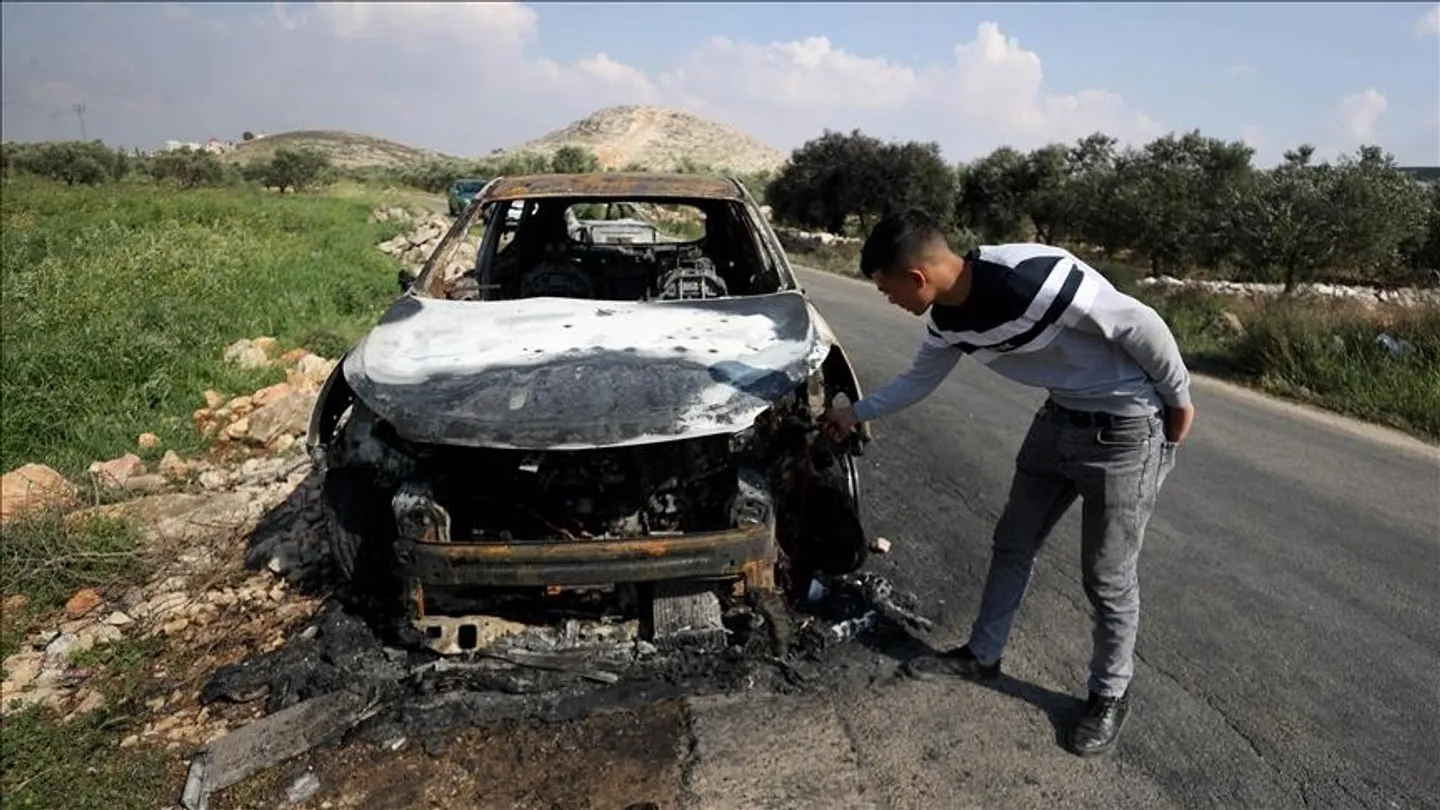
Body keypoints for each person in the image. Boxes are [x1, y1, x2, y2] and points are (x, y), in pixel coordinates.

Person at [820, 209, 1195, 758]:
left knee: (1107, 576)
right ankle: (982, 656)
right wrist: (854, 413)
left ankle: (1109, 695)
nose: (889, 300)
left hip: (1126, 432)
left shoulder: (1033, 277)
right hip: (1057, 422)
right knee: (1012, 544)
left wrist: (1179, 399)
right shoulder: (947, 322)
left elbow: (1140, 324)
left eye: (887, 289)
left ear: (917, 277)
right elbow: (916, 382)